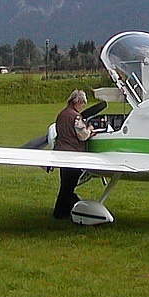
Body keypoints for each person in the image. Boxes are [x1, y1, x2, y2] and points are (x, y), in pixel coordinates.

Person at [52, 89, 94, 219]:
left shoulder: (61, 115)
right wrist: (90, 129)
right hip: (73, 155)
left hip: (61, 154)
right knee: (69, 186)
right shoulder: (75, 117)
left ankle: (61, 211)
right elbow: (82, 135)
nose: (82, 107)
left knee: (65, 184)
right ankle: (61, 212)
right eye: (82, 104)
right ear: (77, 102)